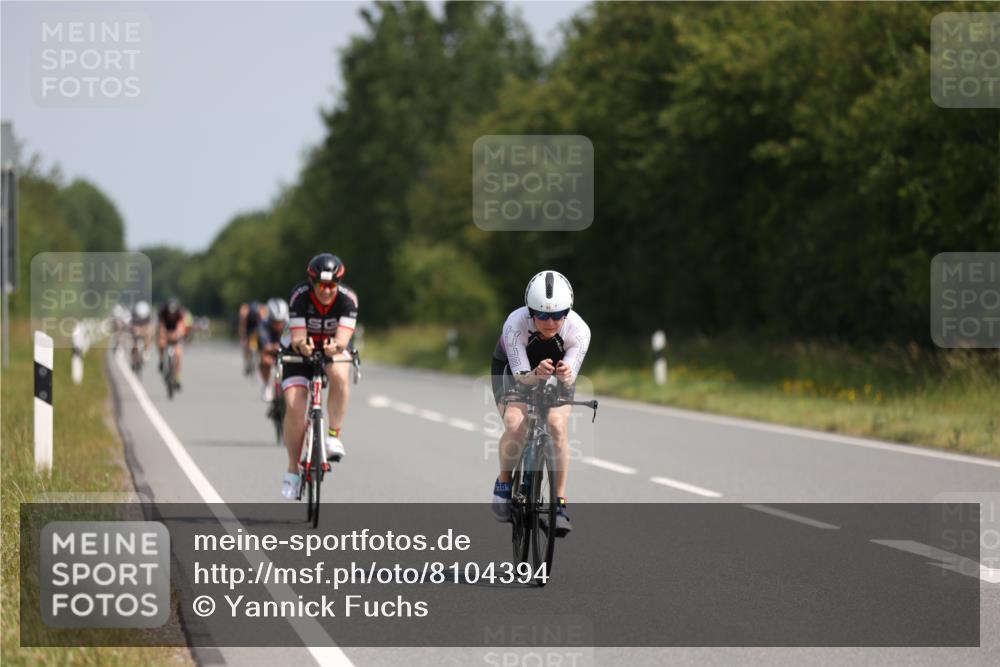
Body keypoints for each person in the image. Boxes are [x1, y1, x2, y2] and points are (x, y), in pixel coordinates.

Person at [489, 270, 591, 536]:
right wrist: (535, 375)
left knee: (557, 427)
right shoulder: (515, 323)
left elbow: (568, 379)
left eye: (558, 314)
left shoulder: (579, 330)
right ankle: (504, 482)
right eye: (542, 314)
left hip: (554, 376)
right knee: (515, 424)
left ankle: (559, 503)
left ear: (567, 311)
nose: (550, 321)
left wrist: (565, 375)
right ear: (530, 310)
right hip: (513, 371)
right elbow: (522, 378)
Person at [280, 253, 358, 500]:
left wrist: (336, 347)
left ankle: (334, 436)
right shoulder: (299, 295)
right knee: (294, 405)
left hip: (331, 348)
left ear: (338, 283)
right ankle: (293, 470)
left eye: (331, 285)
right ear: (312, 282)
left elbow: (344, 339)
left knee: (339, 373)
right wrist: (304, 346)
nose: (326, 291)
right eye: (321, 285)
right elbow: (298, 337)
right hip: (299, 351)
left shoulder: (348, 300)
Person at [258, 297, 289, 402]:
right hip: (272, 353)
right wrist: (275, 347)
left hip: (287, 354)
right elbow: (265, 346)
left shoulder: (290, 324)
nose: (278, 325)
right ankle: (267, 384)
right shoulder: (263, 325)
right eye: (275, 322)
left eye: (280, 322)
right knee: (265, 360)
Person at [157, 297, 189, 389]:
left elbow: (181, 326)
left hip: (175, 331)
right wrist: (164, 335)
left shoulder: (180, 313)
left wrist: (177, 335)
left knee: (179, 354)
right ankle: (162, 360)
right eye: (170, 313)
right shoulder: (163, 311)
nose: (171, 315)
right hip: (165, 329)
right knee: (161, 343)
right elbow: (161, 326)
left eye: (173, 314)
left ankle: (178, 378)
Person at [238, 300, 266, 375]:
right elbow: (243, 325)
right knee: (246, 345)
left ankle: (260, 359)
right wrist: (243, 337)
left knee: (261, 344)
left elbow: (263, 325)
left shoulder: (262, 310)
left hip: (257, 325)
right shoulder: (245, 311)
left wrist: (263, 337)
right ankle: (247, 363)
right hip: (249, 326)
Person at [129, 300, 153, 371]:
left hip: (144, 328)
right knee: (134, 343)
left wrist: (144, 331)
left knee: (148, 336)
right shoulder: (134, 314)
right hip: (136, 327)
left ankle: (146, 351)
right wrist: (135, 330)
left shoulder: (148, 316)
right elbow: (131, 325)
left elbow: (150, 327)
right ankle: (133, 358)